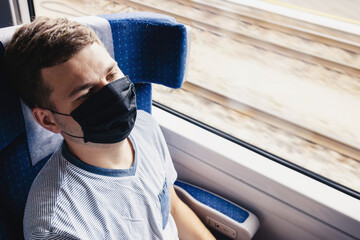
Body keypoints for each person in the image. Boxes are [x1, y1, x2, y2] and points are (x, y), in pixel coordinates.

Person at [4, 16, 215, 240]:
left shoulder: (145, 127)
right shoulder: (57, 226)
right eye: (86, 94)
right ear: (48, 120)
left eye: (112, 74)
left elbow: (173, 210)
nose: (113, 93)